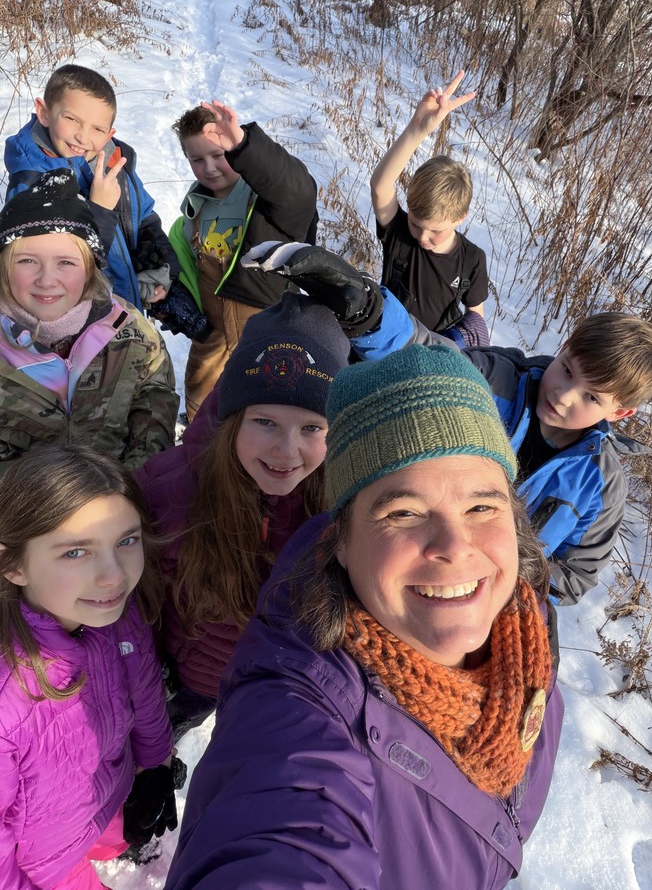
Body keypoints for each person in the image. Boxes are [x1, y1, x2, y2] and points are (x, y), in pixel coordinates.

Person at [165, 342, 563, 890]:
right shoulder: (303, 700)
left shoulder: (530, 636)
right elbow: (282, 828)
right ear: (342, 543)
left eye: (481, 506)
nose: (454, 545)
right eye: (404, 512)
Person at [240, 241, 652, 605]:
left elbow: (575, 576)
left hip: (484, 602)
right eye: (567, 369)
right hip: (406, 557)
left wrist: (506, 570)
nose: (563, 394)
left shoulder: (600, 483)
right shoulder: (496, 382)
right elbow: (426, 357)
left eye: (591, 396)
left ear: (620, 413)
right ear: (562, 348)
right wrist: (367, 311)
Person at [136, 292, 350, 739]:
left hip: (277, 693)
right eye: (265, 422)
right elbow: (138, 605)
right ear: (232, 418)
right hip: (187, 683)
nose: (285, 452)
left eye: (311, 428)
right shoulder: (166, 491)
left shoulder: (344, 508)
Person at [0, 443, 183, 890]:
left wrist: (156, 764)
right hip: (44, 864)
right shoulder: (7, 697)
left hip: (108, 798)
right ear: (13, 564)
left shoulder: (118, 613)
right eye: (76, 552)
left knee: (111, 838)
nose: (115, 576)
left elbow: (143, 691)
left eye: (126, 541)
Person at [0, 170, 179, 473]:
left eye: (66, 263)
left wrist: (135, 487)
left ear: (89, 268)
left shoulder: (131, 330)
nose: (47, 280)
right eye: (27, 260)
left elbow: (153, 400)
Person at [2, 63, 191, 322]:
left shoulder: (113, 161)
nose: (83, 137)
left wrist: (158, 264)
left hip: (123, 309)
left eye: (97, 129)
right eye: (71, 119)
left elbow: (143, 214)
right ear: (44, 113)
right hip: (79, 325)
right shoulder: (31, 181)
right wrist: (99, 210)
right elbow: (52, 267)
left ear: (109, 133)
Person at [168, 100, 319, 419]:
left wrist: (244, 145)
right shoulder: (194, 210)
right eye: (197, 159)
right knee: (201, 403)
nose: (209, 167)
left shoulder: (264, 199)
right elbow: (180, 262)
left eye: (219, 155)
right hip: (212, 333)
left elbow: (298, 190)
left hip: (264, 327)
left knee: (262, 404)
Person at [370, 69, 489, 345]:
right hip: (383, 346)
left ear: (461, 218)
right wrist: (417, 128)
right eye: (416, 224)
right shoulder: (399, 233)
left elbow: (476, 323)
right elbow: (380, 187)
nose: (422, 237)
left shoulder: (472, 260)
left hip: (434, 358)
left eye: (434, 231)